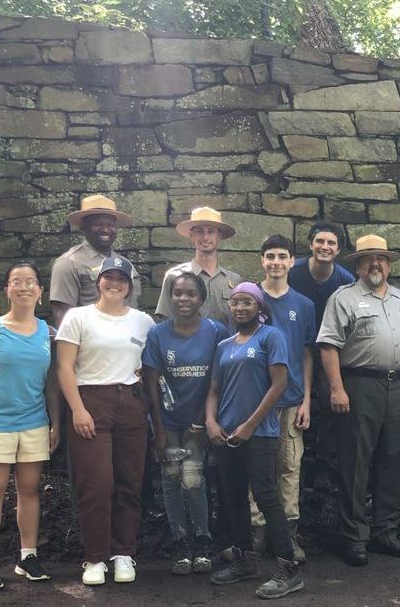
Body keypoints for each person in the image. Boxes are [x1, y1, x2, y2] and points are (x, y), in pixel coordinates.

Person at [317, 234, 400, 567]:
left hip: (397, 387)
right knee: (355, 464)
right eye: (369, 259)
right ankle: (353, 536)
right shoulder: (344, 298)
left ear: (389, 264)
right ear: (358, 265)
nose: (376, 264)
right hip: (359, 386)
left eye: (381, 258)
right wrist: (337, 389)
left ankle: (386, 531)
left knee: (393, 459)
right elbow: (328, 346)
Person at [55, 255, 154, 586]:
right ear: (98, 282)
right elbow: (65, 366)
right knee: (96, 483)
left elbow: (149, 364)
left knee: (130, 481)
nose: (115, 283)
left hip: (131, 404)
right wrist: (78, 409)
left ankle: (123, 553)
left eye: (121, 279)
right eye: (108, 277)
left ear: (129, 286)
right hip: (91, 401)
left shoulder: (143, 321)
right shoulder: (79, 317)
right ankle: (95, 557)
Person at [0, 262, 60, 591]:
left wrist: (55, 423)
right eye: (16, 282)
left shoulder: (48, 333)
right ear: (6, 290)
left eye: (30, 282)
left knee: (30, 490)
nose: (24, 287)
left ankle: (27, 556)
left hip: (34, 423)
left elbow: (51, 385)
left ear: (40, 291)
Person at [205, 283, 305, 598]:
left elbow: (279, 385)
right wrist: (211, 422)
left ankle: (288, 568)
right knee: (233, 497)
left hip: (259, 433)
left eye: (247, 302)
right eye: (235, 302)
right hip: (226, 434)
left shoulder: (271, 337)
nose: (240, 307)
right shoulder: (224, 345)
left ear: (259, 307)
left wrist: (249, 425)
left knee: (266, 497)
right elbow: (214, 391)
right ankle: (245, 561)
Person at [142, 272, 229, 575]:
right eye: (178, 293)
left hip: (199, 422)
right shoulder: (158, 334)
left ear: (202, 299)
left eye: (191, 294)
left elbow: (218, 381)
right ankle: (181, 542)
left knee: (192, 478)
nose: (183, 299)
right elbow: (151, 385)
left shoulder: (216, 332)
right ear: (170, 297)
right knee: (170, 478)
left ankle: (202, 541)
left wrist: (204, 422)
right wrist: (159, 430)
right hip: (167, 422)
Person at [251, 235, 316, 562]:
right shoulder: (250, 298)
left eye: (282, 256)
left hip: (291, 400)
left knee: (290, 465)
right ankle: (258, 531)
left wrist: (306, 399)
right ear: (261, 260)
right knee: (258, 468)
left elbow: (306, 354)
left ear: (292, 261)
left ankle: (288, 533)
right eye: (270, 256)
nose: (276, 262)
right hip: (254, 402)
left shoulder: (304, 305)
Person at [287, 222, 355, 493]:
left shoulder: (345, 281)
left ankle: (324, 466)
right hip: (295, 347)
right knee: (292, 404)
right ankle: (293, 465)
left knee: (330, 405)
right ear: (311, 244)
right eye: (320, 241)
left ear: (338, 250)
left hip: (330, 351)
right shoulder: (293, 273)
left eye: (331, 243)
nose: (325, 247)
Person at [50, 194, 141, 328]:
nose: (105, 229)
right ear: (83, 227)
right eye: (97, 224)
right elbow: (64, 321)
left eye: (110, 224)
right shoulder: (68, 263)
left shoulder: (126, 265)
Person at [155, 207, 241, 326]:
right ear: (191, 235)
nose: (205, 237)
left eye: (211, 231)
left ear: (219, 235)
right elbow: (166, 322)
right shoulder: (174, 276)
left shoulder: (234, 280)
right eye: (200, 231)